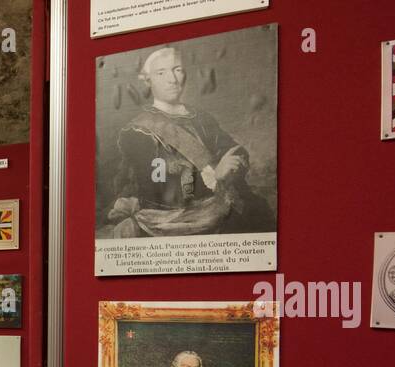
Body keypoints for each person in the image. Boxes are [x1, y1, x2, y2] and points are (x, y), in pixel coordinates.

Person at [106, 46, 273, 238]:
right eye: (161, 72)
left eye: (178, 70)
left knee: (259, 216)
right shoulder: (136, 132)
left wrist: (230, 168)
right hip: (169, 221)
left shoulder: (202, 118)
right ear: (147, 81)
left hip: (218, 207)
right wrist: (215, 175)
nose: (173, 79)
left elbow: (235, 150)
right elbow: (158, 188)